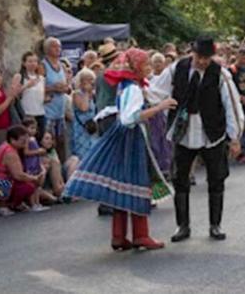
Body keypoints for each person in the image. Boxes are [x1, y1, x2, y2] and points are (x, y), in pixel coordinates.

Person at [63, 49, 175, 250]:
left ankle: (118, 236)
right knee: (137, 181)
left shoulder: (126, 84)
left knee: (121, 184)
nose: (148, 68)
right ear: (136, 66)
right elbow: (129, 118)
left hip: (119, 136)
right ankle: (141, 235)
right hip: (129, 138)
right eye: (145, 64)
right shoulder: (131, 87)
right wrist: (160, 107)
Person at [148, 36, 245, 242]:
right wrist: (142, 96)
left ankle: (215, 225)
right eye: (200, 57)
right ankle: (182, 226)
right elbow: (156, 91)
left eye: (207, 58)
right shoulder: (176, 69)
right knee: (179, 179)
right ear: (192, 53)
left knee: (216, 179)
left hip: (212, 133)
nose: (203, 61)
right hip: (183, 132)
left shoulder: (221, 74)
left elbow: (232, 106)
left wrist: (234, 137)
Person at [0, 126, 47, 216]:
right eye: (23, 141)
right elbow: (18, 175)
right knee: (28, 185)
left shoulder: (5, 146)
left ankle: (12, 204)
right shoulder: (10, 153)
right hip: (0, 182)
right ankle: (2, 205)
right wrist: (34, 178)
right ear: (13, 140)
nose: (25, 143)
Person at [41, 37, 71, 163]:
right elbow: (37, 87)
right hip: (48, 111)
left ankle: (63, 170)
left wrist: (66, 88)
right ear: (47, 49)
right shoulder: (43, 65)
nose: (58, 49)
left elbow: (69, 86)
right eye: (54, 46)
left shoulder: (62, 66)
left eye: (59, 46)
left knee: (61, 142)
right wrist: (53, 88)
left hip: (61, 111)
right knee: (48, 142)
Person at [66, 68, 98, 177]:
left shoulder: (92, 95)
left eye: (91, 80)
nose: (89, 83)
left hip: (91, 129)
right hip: (81, 128)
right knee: (81, 154)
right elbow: (84, 108)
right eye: (87, 80)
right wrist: (86, 92)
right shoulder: (77, 94)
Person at [13, 52, 46, 142]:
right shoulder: (19, 76)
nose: (33, 64)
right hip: (27, 114)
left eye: (35, 61)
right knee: (27, 141)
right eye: (30, 61)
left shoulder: (41, 78)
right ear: (24, 63)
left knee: (40, 139)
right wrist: (26, 86)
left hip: (41, 113)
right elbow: (13, 94)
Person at [0, 67, 20, 145]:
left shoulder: (0, 90)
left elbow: (7, 104)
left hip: (7, 125)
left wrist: (13, 96)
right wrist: (10, 97)